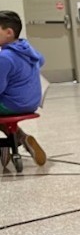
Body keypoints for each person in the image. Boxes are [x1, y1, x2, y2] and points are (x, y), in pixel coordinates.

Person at [0, 10, 46, 167]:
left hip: (12, 104)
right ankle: (21, 139)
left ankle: (6, 145)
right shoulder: (26, 49)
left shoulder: (5, 57)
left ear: (8, 32)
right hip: (31, 102)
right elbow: (41, 60)